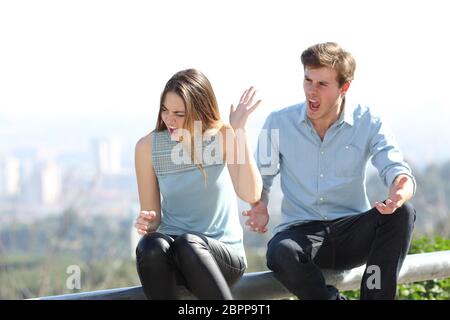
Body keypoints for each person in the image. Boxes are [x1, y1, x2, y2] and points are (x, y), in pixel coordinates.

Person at [244, 42, 416, 300]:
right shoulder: (277, 123)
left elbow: (396, 169)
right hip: (302, 234)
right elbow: (262, 182)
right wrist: (260, 205)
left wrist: (399, 192)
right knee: (281, 252)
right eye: (307, 80)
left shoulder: (368, 121)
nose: (311, 91)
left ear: (344, 87)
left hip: (352, 232)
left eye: (322, 84)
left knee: (403, 212)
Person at [134, 68, 262, 300]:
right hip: (175, 254)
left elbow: (251, 193)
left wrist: (239, 132)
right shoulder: (147, 147)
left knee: (188, 244)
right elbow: (154, 221)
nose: (169, 120)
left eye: (179, 113)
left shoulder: (222, 135)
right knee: (150, 246)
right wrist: (147, 222)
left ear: (199, 110)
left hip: (221, 256)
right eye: (165, 110)